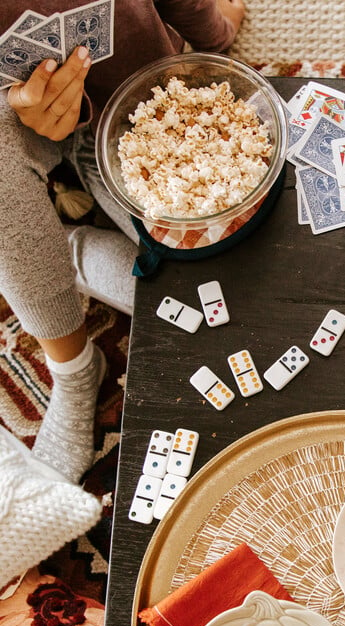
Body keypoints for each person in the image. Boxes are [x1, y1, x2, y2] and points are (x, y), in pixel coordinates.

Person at [0, 1, 246, 483]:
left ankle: (66, 253)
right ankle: (73, 370)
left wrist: (216, 35)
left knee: (201, 291)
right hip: (11, 131)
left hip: (134, 106)